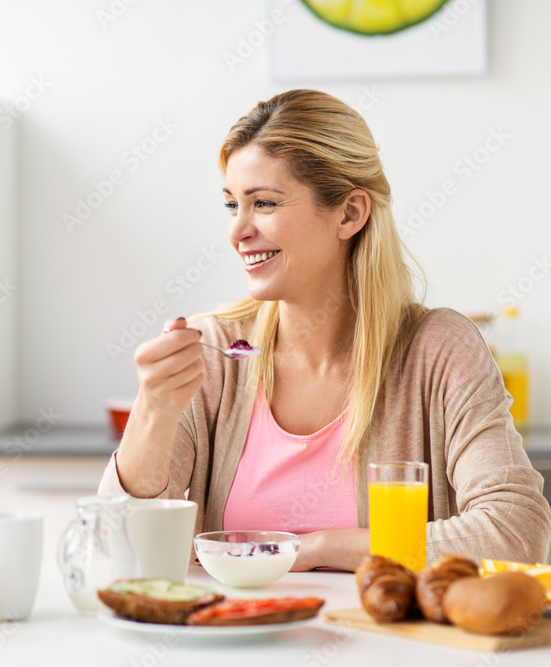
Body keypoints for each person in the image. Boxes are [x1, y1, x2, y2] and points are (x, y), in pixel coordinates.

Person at [99, 89, 551, 571]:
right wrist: (154, 409)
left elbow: (515, 533)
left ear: (350, 213)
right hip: (233, 638)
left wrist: (314, 549)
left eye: (265, 204)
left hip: (391, 644)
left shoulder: (438, 350)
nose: (237, 231)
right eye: (232, 205)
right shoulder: (214, 351)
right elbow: (120, 546)